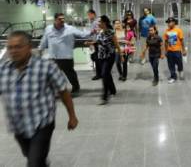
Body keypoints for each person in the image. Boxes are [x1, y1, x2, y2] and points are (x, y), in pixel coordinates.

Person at [0, 31, 78, 167]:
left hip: (42, 123)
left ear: (29, 47)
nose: (13, 51)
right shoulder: (3, 69)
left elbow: (63, 92)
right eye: (10, 47)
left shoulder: (46, 67)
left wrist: (72, 116)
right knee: (31, 155)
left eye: (18, 47)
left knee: (34, 162)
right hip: (18, 126)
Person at [39, 13, 93, 94]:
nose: (62, 20)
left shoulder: (70, 28)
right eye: (60, 19)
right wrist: (40, 49)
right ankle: (56, 90)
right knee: (53, 75)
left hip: (66, 57)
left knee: (70, 74)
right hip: (53, 57)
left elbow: (82, 34)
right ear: (55, 20)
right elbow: (44, 40)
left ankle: (76, 88)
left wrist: (91, 32)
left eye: (63, 19)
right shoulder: (48, 29)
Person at [85, 15, 123, 105]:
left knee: (104, 74)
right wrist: (90, 43)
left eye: (99, 22)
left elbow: (116, 44)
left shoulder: (111, 32)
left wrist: (121, 55)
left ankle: (105, 96)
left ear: (104, 23)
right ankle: (113, 90)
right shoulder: (100, 31)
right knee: (107, 74)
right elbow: (98, 42)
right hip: (101, 56)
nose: (98, 23)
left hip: (110, 56)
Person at [164, 17, 187, 84]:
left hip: (177, 51)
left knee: (179, 62)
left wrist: (184, 50)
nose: (168, 24)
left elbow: (182, 41)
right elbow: (165, 42)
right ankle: (173, 76)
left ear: (174, 22)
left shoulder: (178, 30)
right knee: (171, 65)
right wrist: (165, 51)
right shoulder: (166, 31)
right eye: (168, 22)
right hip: (170, 51)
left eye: (170, 22)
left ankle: (180, 70)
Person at [87, 9, 102, 80]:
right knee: (95, 58)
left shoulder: (97, 21)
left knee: (97, 58)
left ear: (93, 14)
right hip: (94, 42)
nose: (88, 16)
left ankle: (99, 74)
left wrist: (94, 31)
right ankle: (100, 73)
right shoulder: (92, 22)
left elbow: (100, 30)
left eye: (89, 15)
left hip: (98, 42)